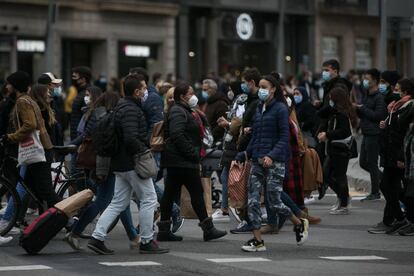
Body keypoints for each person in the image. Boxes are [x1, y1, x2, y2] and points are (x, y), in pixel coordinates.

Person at [87, 74, 168, 255]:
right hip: (132, 162)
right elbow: (131, 138)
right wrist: (144, 150)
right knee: (149, 199)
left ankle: (97, 237)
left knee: (118, 202)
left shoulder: (122, 106)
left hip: (121, 163)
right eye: (144, 88)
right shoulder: (131, 109)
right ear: (137, 91)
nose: (146, 91)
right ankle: (147, 241)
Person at [235, 75, 309, 252]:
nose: (261, 90)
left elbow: (284, 137)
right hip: (257, 161)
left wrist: (271, 155)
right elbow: (256, 136)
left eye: (264, 86)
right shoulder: (260, 107)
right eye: (259, 86)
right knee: (252, 201)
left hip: (274, 162)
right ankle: (258, 241)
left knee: (274, 201)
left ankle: (299, 223)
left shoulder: (280, 109)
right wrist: (246, 153)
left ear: (273, 89)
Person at [65, 92, 140, 251]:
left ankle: (134, 237)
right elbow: (96, 139)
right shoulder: (103, 117)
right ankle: (75, 232)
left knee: (120, 201)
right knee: (104, 201)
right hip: (106, 165)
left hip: (102, 164)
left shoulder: (95, 114)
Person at [157, 82, 227, 242]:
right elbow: (176, 134)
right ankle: (208, 229)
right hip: (183, 161)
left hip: (177, 160)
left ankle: (164, 229)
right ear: (182, 96)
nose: (194, 95)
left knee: (170, 194)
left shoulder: (182, 110)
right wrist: (192, 153)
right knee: (196, 193)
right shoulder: (178, 111)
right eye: (190, 93)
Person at [3, 71, 60, 207]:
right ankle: (18, 219)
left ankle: (70, 219)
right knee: (31, 188)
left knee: (46, 191)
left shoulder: (23, 101)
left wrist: (10, 137)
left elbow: (30, 124)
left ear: (16, 85)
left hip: (38, 150)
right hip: (40, 149)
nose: (7, 87)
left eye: (10, 84)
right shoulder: (27, 99)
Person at [368, 79, 414, 234]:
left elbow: (405, 134)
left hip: (399, 154)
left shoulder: (408, 106)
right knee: (390, 186)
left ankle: (401, 219)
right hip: (390, 153)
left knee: (392, 187)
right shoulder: (396, 106)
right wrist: (386, 123)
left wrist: (401, 157)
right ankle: (398, 219)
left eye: (398, 89)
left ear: (406, 91)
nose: (395, 91)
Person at [230, 68, 261, 234]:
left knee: (255, 189)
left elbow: (256, 125)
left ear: (252, 83)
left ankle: (297, 217)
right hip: (248, 147)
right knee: (264, 190)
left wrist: (248, 132)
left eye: (244, 82)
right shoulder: (250, 100)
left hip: (252, 149)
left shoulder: (257, 102)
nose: (242, 85)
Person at [317, 87, 357, 215]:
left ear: (336, 99)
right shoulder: (335, 111)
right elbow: (320, 113)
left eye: (331, 99)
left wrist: (327, 135)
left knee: (339, 176)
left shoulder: (342, 114)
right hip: (334, 148)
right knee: (326, 174)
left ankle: (344, 203)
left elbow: (344, 131)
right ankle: (343, 197)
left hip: (340, 149)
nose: (330, 101)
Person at [355, 69, 387, 201]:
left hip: (374, 133)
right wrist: (358, 110)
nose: (365, 81)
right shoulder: (367, 94)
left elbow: (378, 116)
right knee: (363, 162)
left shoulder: (379, 97)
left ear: (375, 81)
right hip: (366, 132)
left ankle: (375, 192)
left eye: (367, 79)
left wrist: (362, 108)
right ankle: (384, 180)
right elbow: (365, 113)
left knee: (372, 163)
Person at [202, 79, 229, 143]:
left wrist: (210, 137)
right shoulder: (208, 102)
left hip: (216, 140)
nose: (203, 92)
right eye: (203, 90)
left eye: (205, 90)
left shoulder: (221, 104)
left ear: (213, 89)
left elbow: (221, 125)